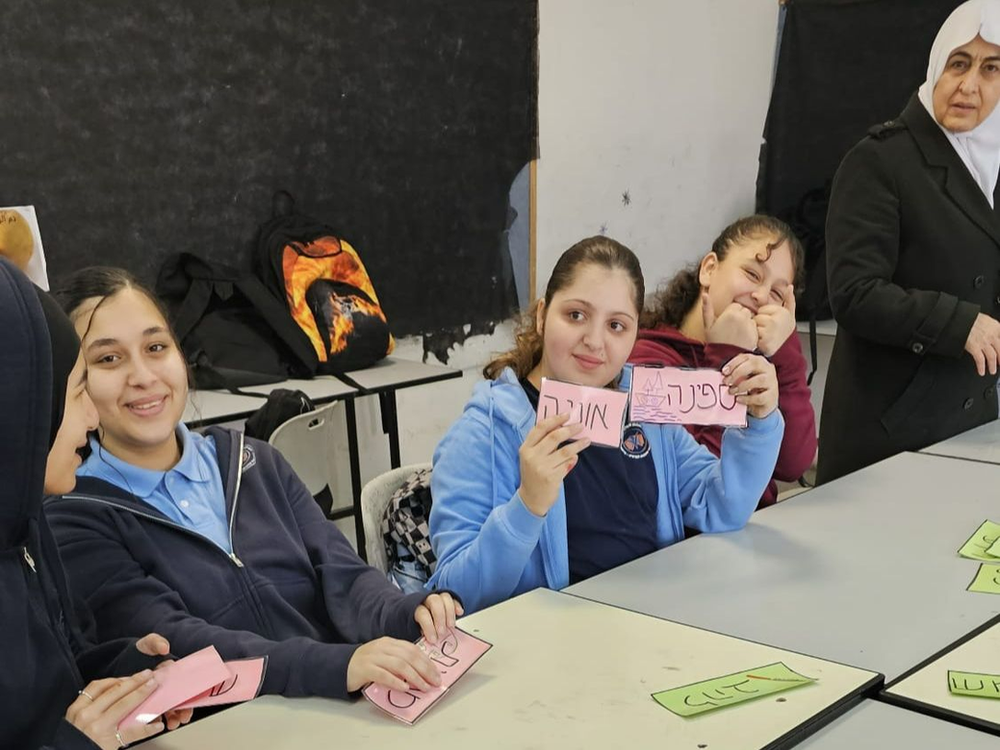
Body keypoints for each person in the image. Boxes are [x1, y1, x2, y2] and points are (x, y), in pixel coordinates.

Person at [45, 267, 460, 701]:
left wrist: (406, 612)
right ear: (73, 382)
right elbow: (177, 645)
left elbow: (343, 573)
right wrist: (337, 665)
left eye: (156, 347)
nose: (144, 375)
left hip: (339, 706)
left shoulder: (254, 462)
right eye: (108, 359)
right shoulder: (75, 514)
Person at [427, 236, 785, 613]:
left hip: (663, 625)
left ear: (634, 336)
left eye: (616, 325)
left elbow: (721, 505)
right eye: (576, 315)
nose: (594, 341)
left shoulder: (646, 409)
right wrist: (528, 505)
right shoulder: (481, 433)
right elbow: (457, 593)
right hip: (553, 645)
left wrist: (759, 420)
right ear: (542, 315)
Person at [0, 257, 190, 750]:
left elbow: (60, 673)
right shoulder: (65, 514)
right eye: (78, 391)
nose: (91, 417)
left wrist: (127, 673)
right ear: (20, 406)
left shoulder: (24, 523)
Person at [819, 0, 1000, 483]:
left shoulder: (995, 167)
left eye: (991, 68)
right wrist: (961, 324)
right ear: (936, 65)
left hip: (971, 424)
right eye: (959, 63)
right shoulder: (881, 161)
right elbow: (854, 293)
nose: (969, 85)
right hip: (892, 433)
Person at [632, 215, 816, 507]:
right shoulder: (646, 360)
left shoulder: (757, 360)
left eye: (777, 293)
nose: (760, 296)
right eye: (752, 274)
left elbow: (792, 464)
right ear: (709, 269)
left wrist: (784, 349)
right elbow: (701, 490)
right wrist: (724, 359)